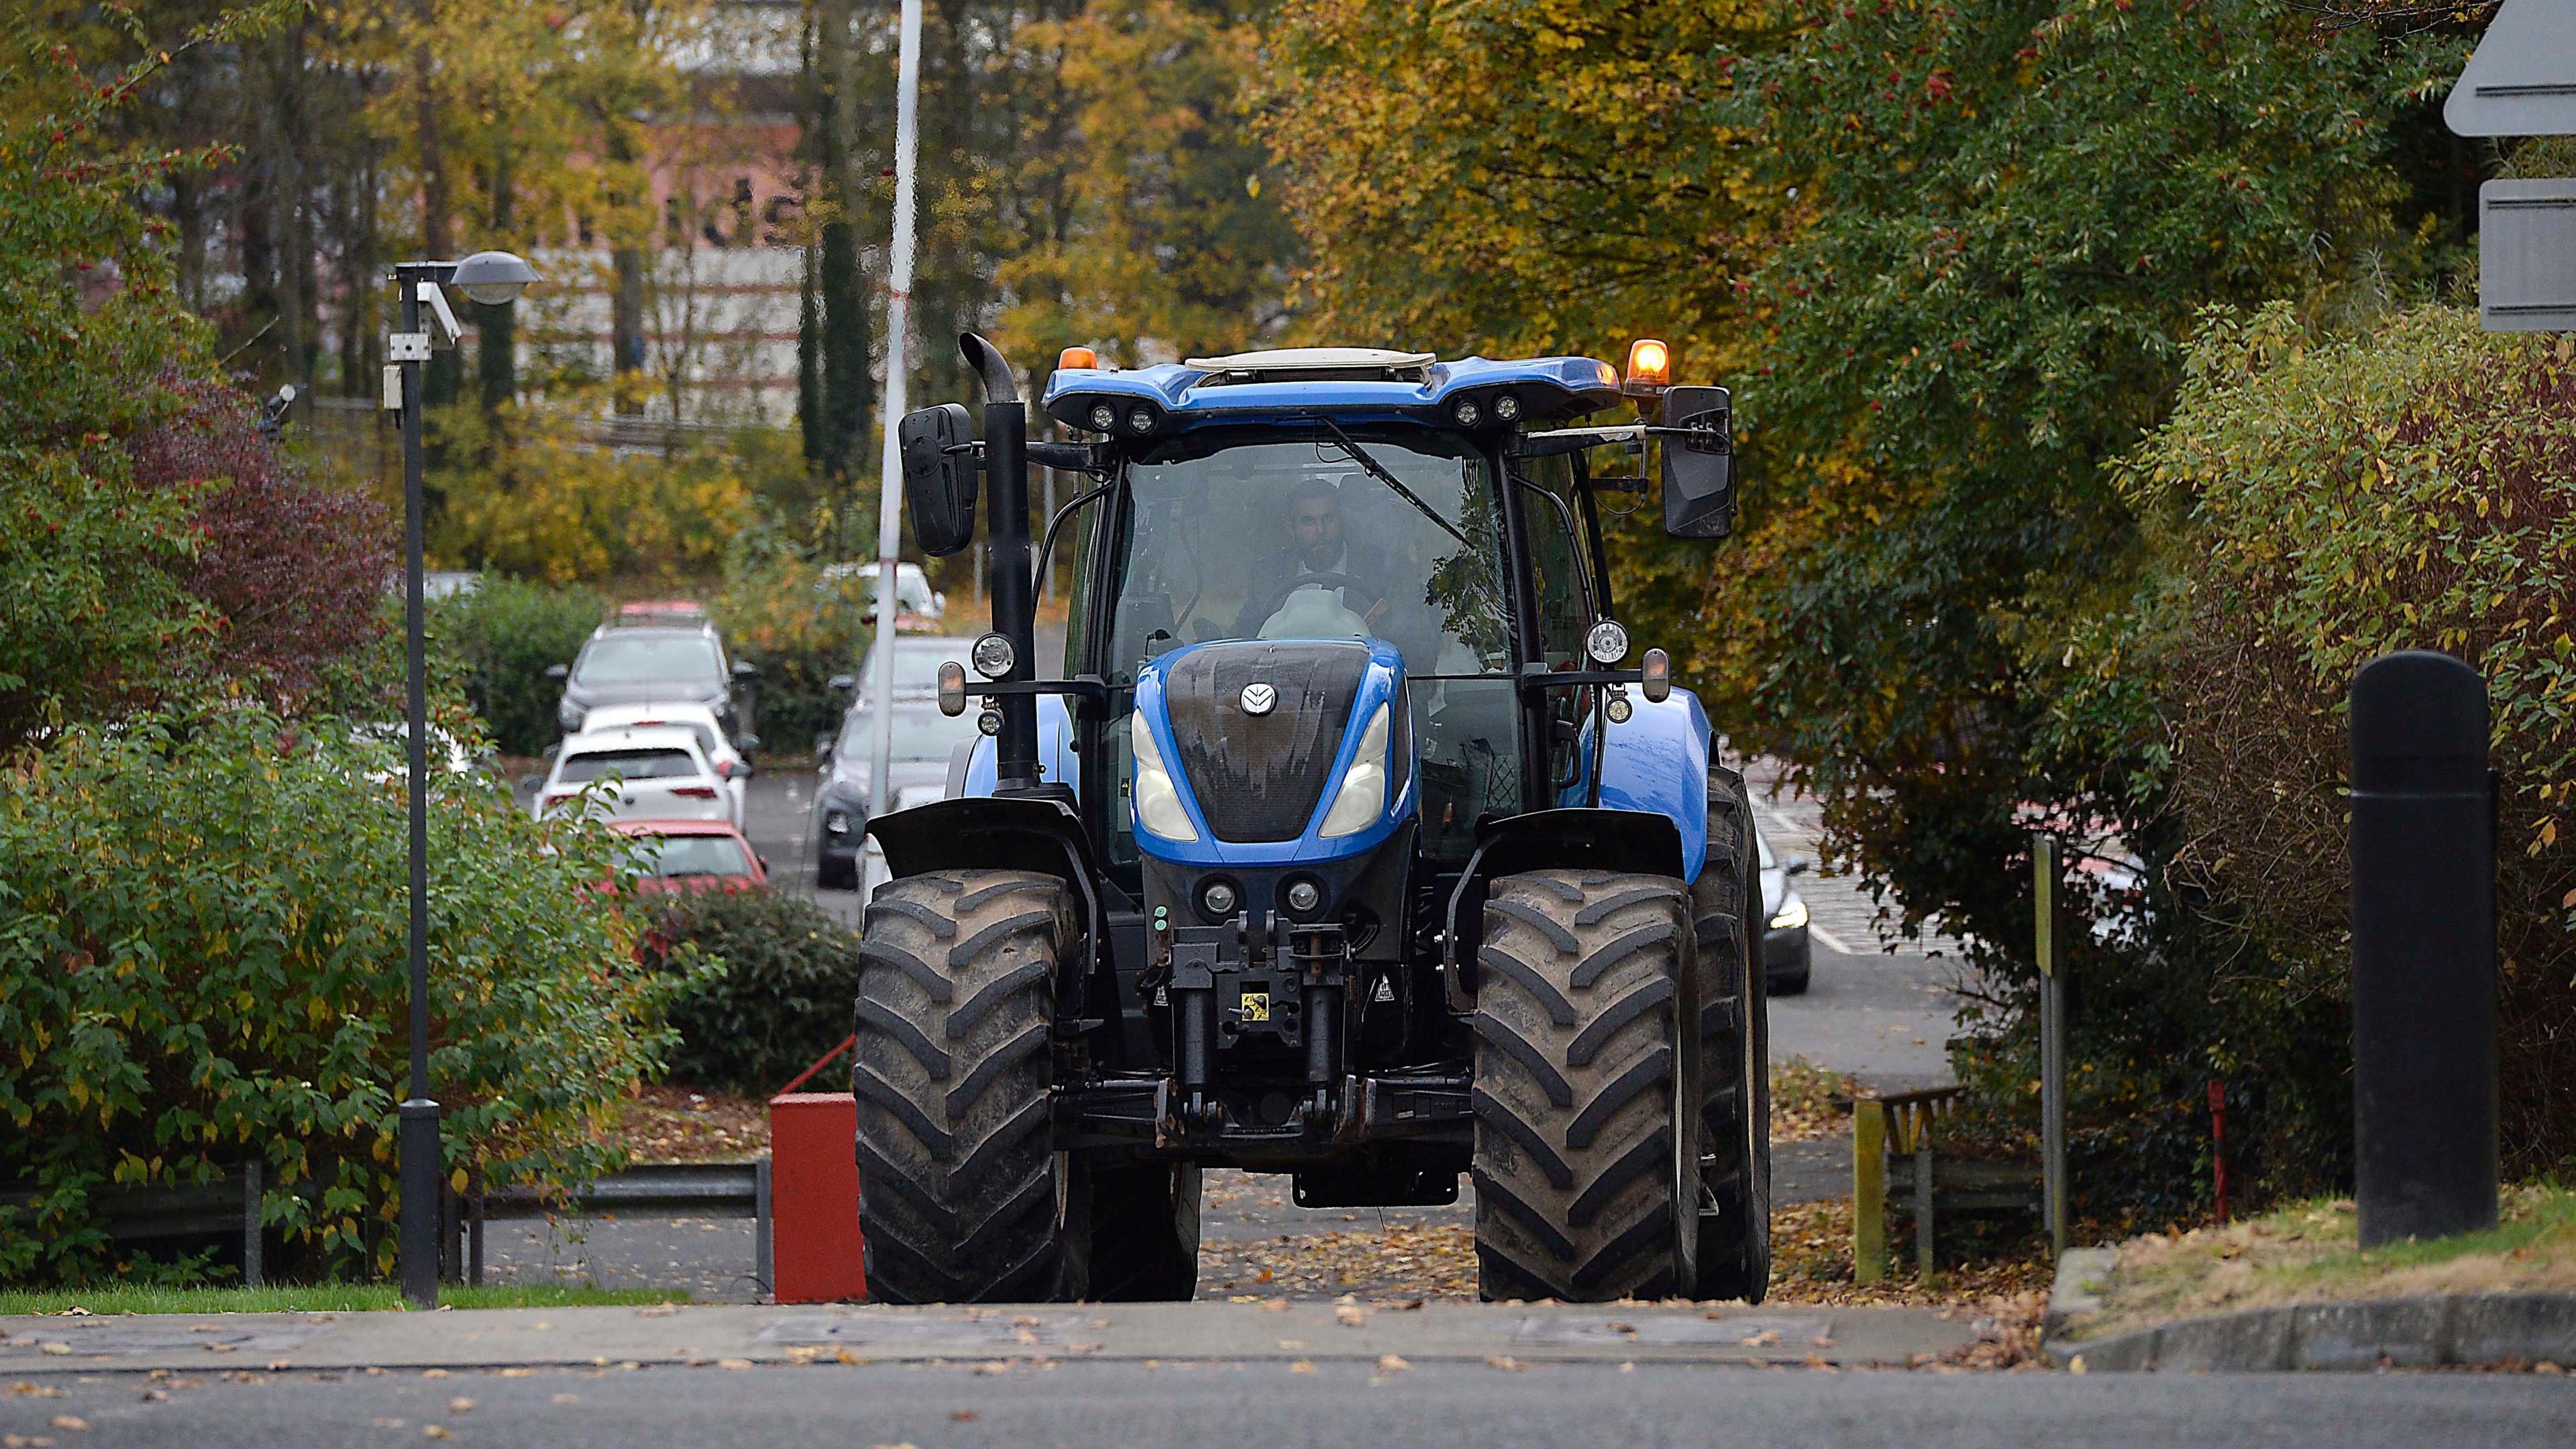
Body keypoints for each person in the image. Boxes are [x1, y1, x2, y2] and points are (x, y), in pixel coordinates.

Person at [1234, 474, 1400, 639]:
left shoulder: (1384, 571)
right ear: (1292, 528)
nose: (1320, 531)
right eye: (1308, 522)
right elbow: (1242, 639)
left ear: (1342, 519)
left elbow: (1406, 638)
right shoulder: (1267, 577)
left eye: (1328, 518)